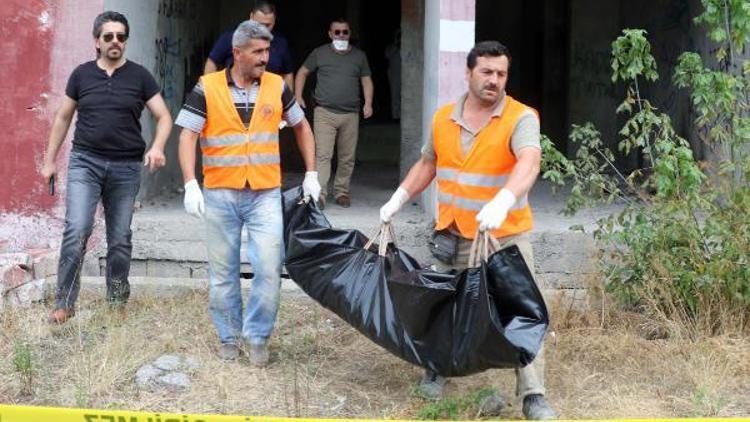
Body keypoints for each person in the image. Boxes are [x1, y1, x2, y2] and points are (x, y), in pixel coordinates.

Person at [378, 41, 557, 420]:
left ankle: (533, 395)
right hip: (453, 233)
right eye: (487, 72)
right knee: (442, 306)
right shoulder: (444, 117)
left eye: (502, 74)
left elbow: (529, 162)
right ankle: (437, 370)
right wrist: (399, 198)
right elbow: (428, 164)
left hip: (503, 235)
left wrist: (504, 200)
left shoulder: (520, 117)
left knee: (520, 312)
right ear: (469, 73)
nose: (494, 81)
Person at [176, 20, 320, 365]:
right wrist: (189, 183)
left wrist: (312, 173)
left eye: (267, 50)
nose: (265, 58)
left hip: (265, 193)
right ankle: (228, 338)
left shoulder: (276, 86)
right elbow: (187, 136)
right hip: (220, 195)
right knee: (223, 275)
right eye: (258, 51)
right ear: (236, 53)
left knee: (270, 268)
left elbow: (301, 126)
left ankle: (257, 337)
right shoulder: (207, 87)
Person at [40, 11, 172, 325]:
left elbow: (164, 116)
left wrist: (156, 147)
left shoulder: (140, 76)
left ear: (125, 41)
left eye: (121, 37)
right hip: (86, 162)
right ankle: (65, 303)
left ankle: (115, 303)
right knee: (76, 229)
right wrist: (48, 161)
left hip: (126, 167)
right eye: (109, 36)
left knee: (120, 238)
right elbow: (62, 118)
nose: (115, 42)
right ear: (97, 41)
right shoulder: (81, 74)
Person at [294, 18, 373, 209]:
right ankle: (319, 194)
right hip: (324, 112)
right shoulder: (319, 53)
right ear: (330, 34)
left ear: (349, 33)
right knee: (322, 155)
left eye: (344, 32)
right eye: (337, 32)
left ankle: (342, 192)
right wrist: (297, 97)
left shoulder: (359, 56)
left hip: (351, 114)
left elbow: (366, 80)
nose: (341, 35)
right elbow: (302, 72)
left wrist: (368, 103)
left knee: (347, 157)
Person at [203, 1, 294, 90]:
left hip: (268, 99)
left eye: (267, 25)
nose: (262, 29)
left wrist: (286, 100)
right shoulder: (232, 38)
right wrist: (210, 91)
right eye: (259, 24)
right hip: (233, 95)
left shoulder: (281, 43)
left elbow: (288, 73)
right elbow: (212, 62)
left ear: (274, 21)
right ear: (251, 17)